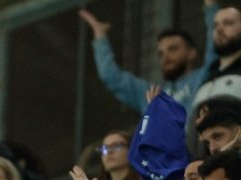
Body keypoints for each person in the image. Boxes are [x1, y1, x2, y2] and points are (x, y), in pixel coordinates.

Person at [81, 4, 219, 112]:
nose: (165, 57)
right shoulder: (151, 93)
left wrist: (211, 6)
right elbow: (112, 77)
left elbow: (215, 48)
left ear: (192, 53)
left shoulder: (202, 78)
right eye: (160, 54)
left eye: (173, 49)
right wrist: (100, 36)